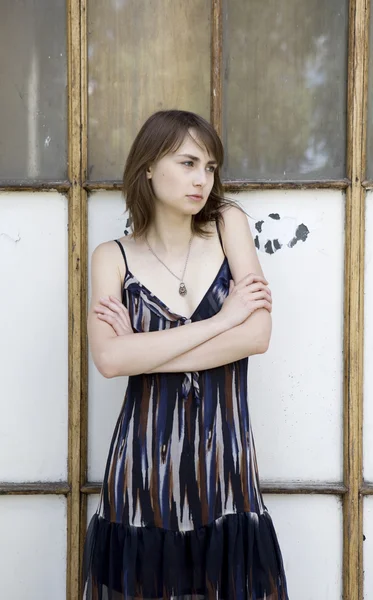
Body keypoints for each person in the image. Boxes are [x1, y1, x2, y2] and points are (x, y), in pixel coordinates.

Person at [82, 109, 289, 599]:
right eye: (188, 163)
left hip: (226, 465)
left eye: (210, 167)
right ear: (148, 166)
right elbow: (109, 362)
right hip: (143, 468)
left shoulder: (228, 225)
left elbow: (257, 335)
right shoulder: (112, 256)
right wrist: (220, 321)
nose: (202, 179)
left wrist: (142, 349)